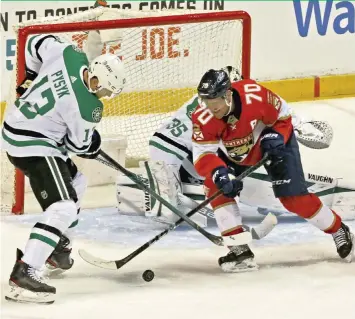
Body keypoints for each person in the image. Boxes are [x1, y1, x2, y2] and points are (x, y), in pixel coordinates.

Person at [189, 68, 354, 272]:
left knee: (294, 199)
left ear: (228, 95)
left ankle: (339, 230)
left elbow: (284, 117)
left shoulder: (255, 95)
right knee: (216, 186)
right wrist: (219, 172)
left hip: (272, 145)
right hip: (232, 154)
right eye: (207, 103)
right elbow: (203, 154)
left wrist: (276, 135)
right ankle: (239, 250)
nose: (211, 109)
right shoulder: (202, 117)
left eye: (216, 103)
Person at [1, 33, 125, 304]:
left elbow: (35, 42)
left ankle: (56, 247)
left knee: (77, 181)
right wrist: (92, 143)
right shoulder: (87, 107)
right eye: (106, 90)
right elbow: (78, 146)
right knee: (64, 207)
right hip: (32, 144)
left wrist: (30, 76)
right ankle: (25, 272)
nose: (105, 96)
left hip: (16, 126)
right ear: (97, 80)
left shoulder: (70, 54)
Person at [143, 67, 333, 223]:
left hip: (177, 148)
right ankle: (183, 192)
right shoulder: (209, 112)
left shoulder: (210, 104)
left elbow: (272, 111)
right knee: (169, 212)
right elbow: (205, 153)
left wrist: (291, 127)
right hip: (172, 152)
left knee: (226, 163)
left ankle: (188, 187)